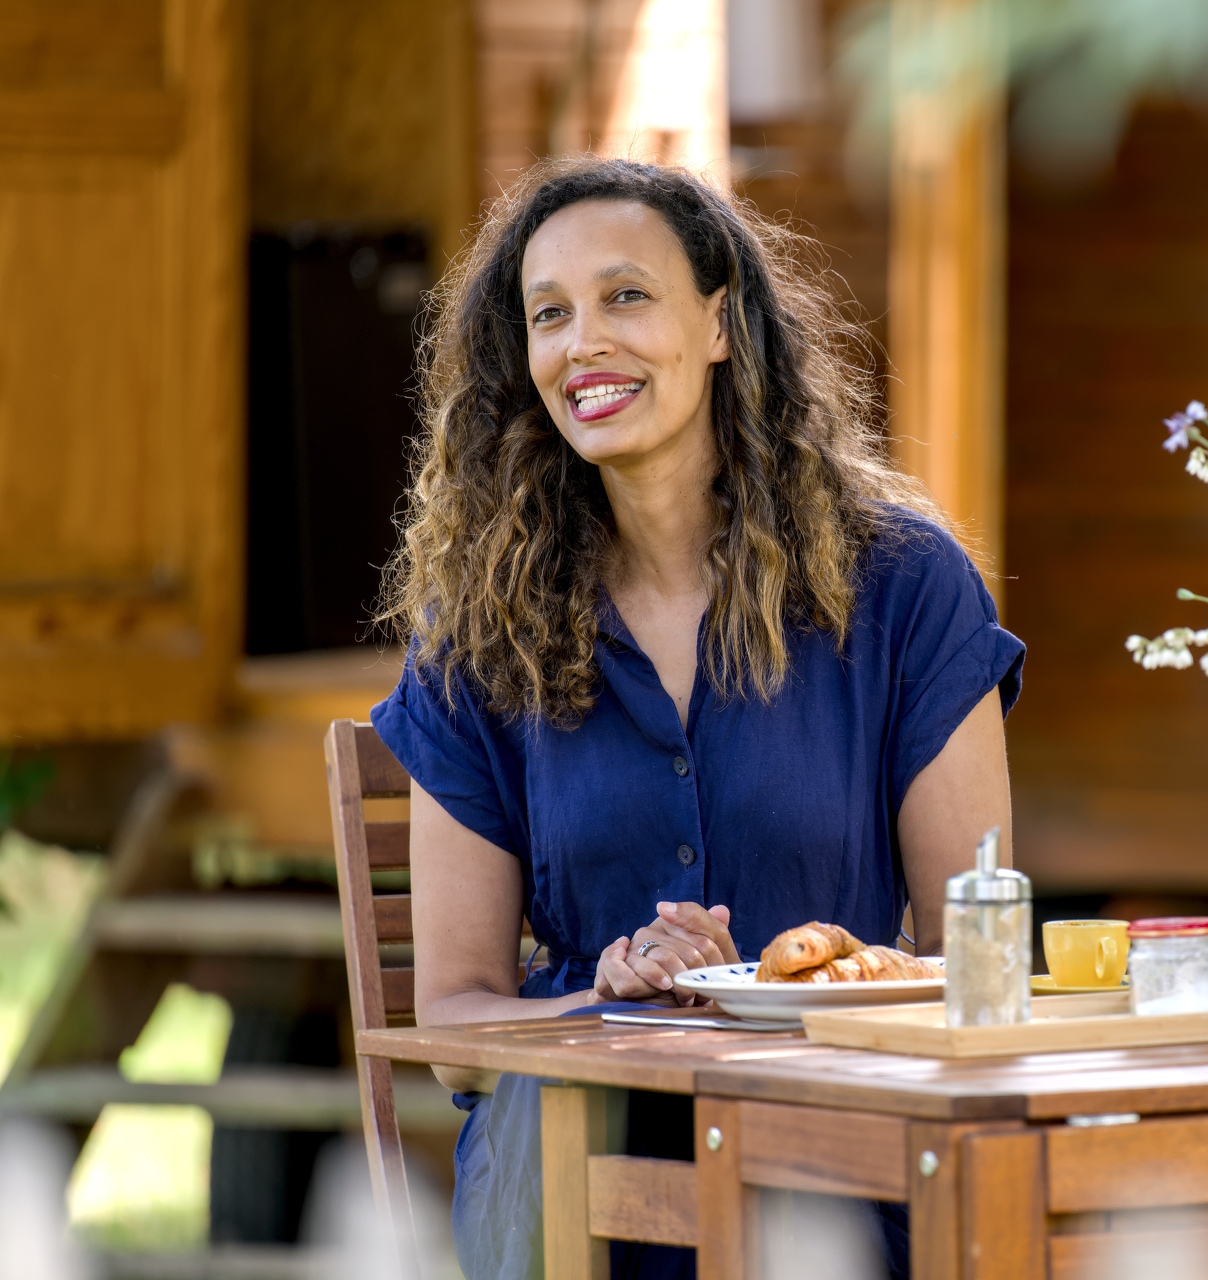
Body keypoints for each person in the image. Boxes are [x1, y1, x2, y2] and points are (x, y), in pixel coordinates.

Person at [370, 156, 1023, 1280]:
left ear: (720, 323)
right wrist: (603, 998)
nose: (586, 343)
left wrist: (785, 988)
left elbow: (982, 965)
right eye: (550, 314)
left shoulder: (906, 588)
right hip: (576, 1184)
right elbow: (455, 1027)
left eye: (627, 295)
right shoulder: (484, 625)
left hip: (839, 1171)